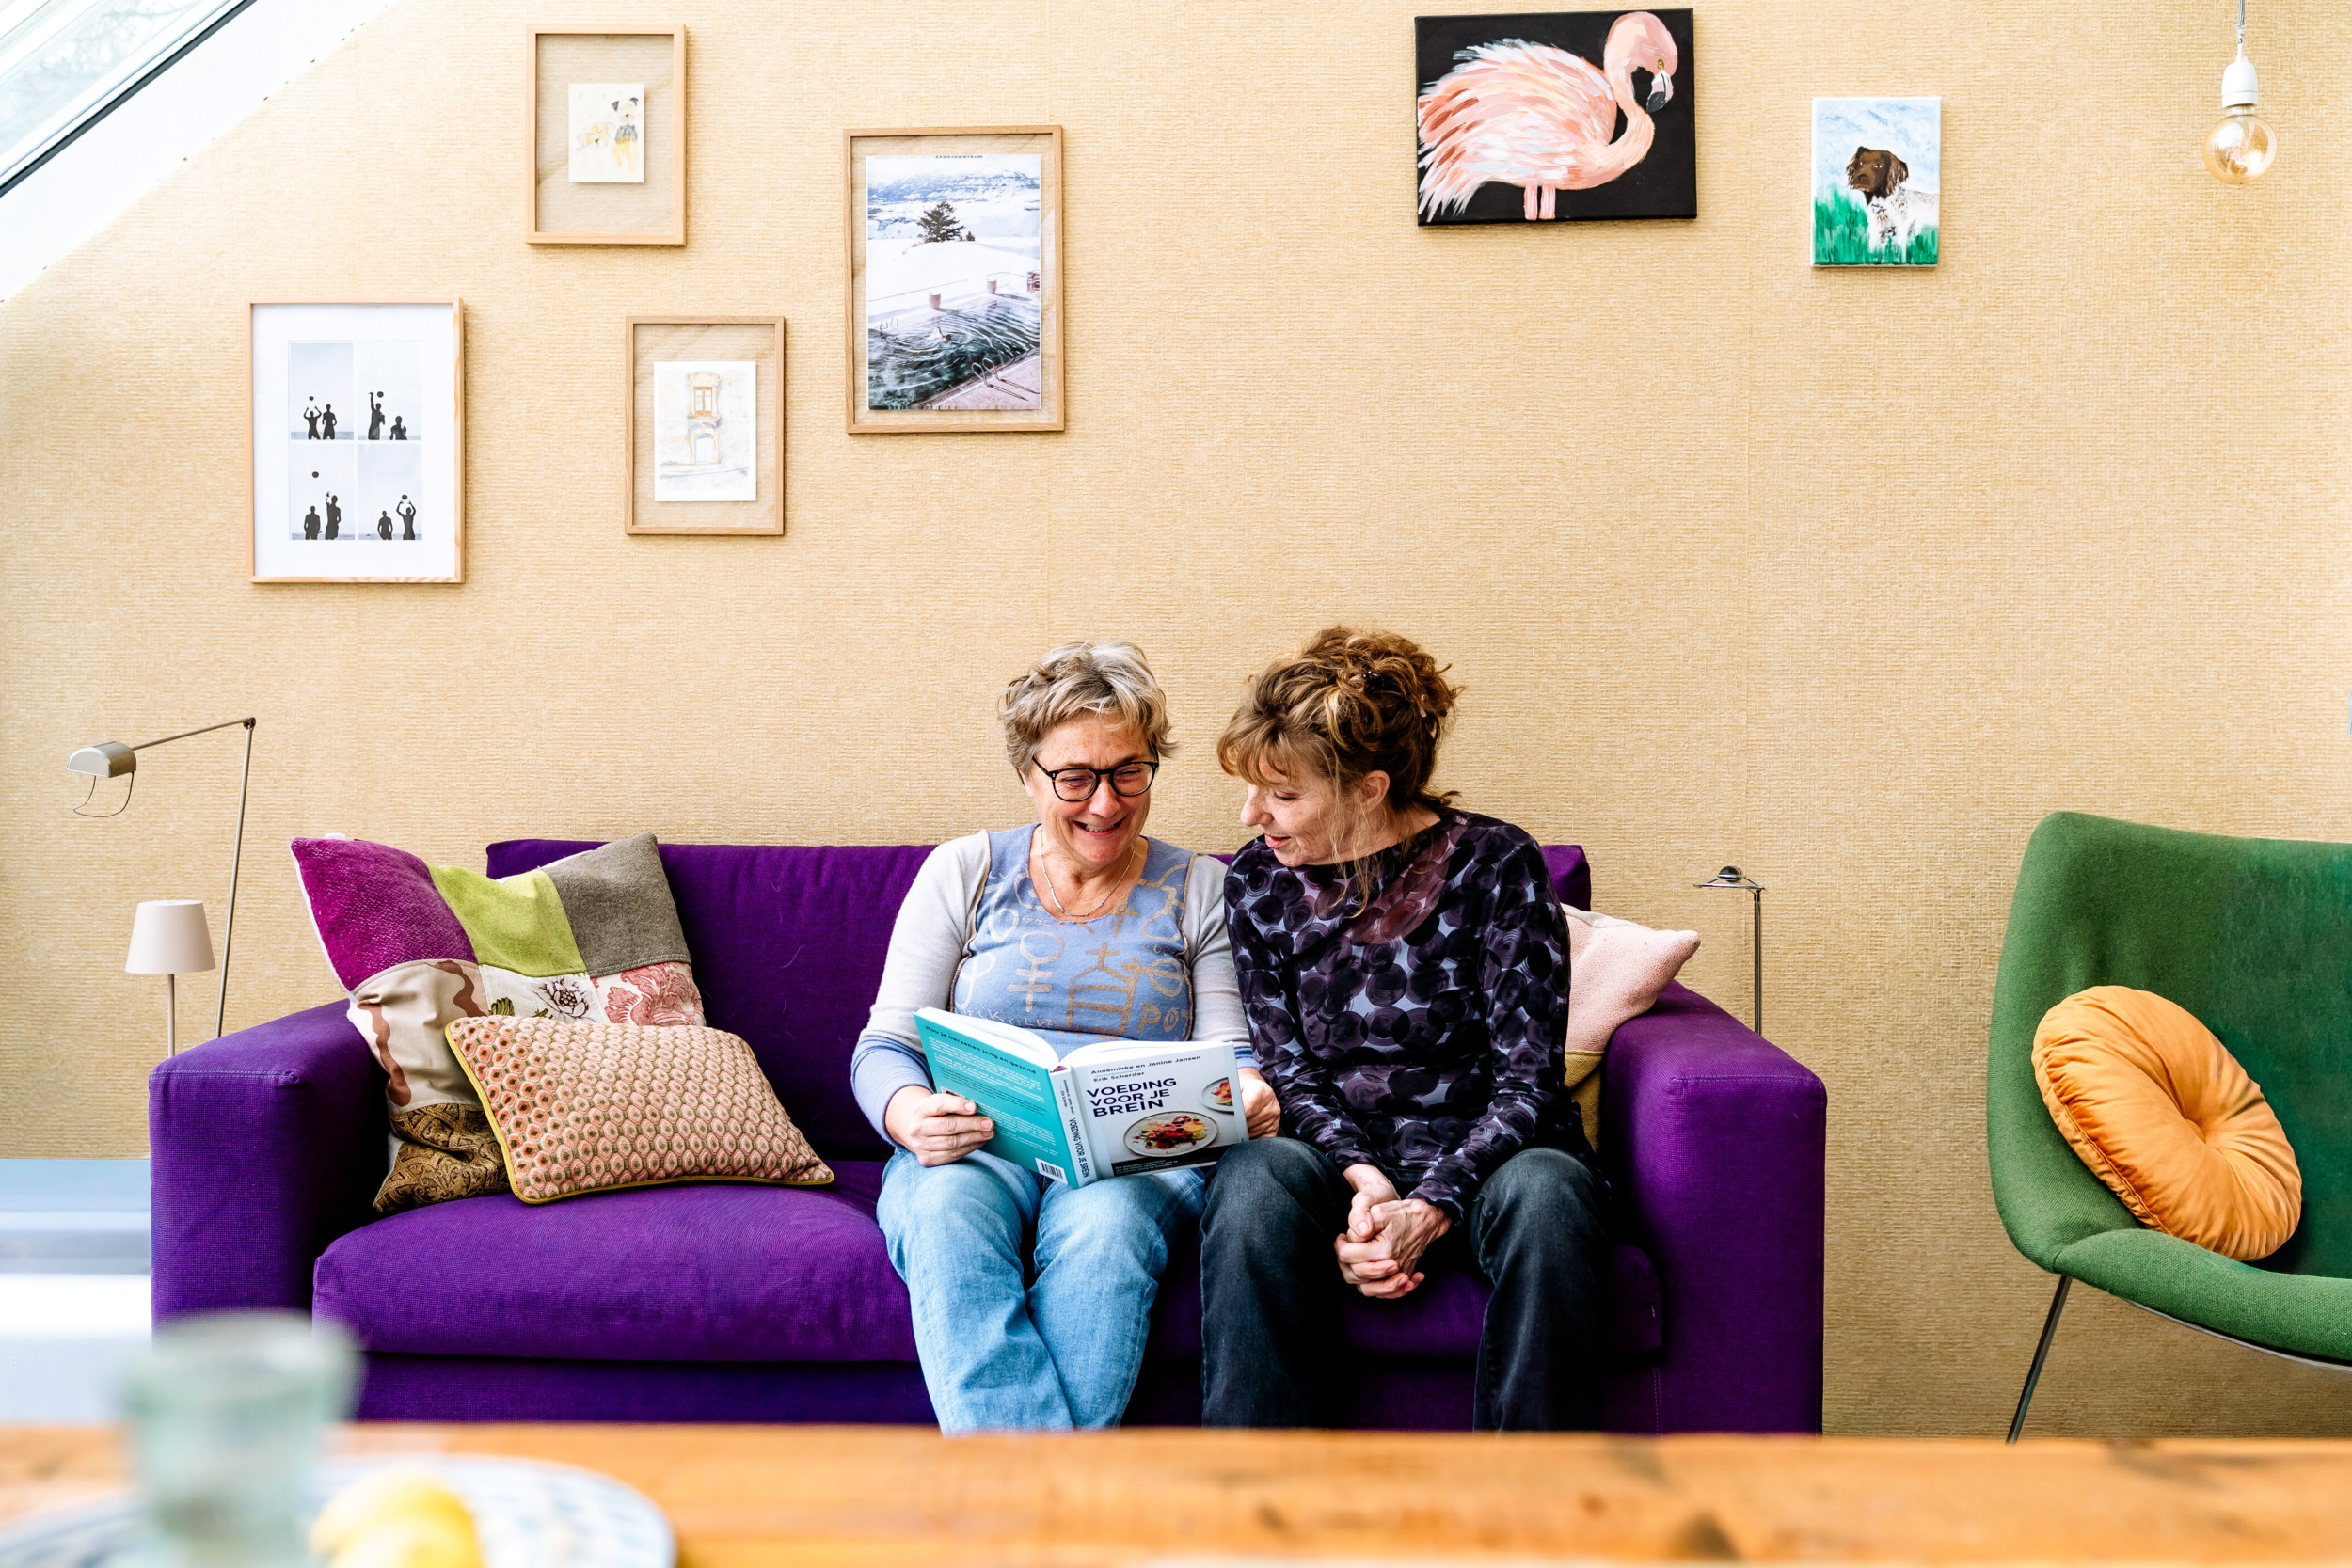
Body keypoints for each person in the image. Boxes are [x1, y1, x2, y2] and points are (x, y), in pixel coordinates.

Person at [851, 641, 1280, 1434]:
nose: (1105, 803)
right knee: (943, 1213)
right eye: (1075, 777)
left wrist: (1248, 1095)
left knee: (1107, 1232)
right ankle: (1052, 1498)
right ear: (1028, 773)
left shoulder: (1202, 888)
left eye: (1128, 771)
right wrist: (909, 1114)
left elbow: (1234, 1056)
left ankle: (1015, 1503)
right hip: (980, 1141)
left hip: (1137, 1154)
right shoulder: (965, 870)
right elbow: (885, 1047)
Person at [1200, 626, 1607, 1432]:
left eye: (1282, 795)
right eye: (1251, 790)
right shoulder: (1256, 879)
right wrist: (1366, 1178)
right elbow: (1288, 1069)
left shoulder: (1497, 863)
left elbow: (1529, 1080)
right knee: (1250, 1182)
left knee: (1551, 1196)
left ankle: (1540, 1503)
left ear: (1369, 787)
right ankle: (1258, 1499)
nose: (1252, 815)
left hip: (1494, 1156)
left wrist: (1430, 1203)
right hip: (1331, 1156)